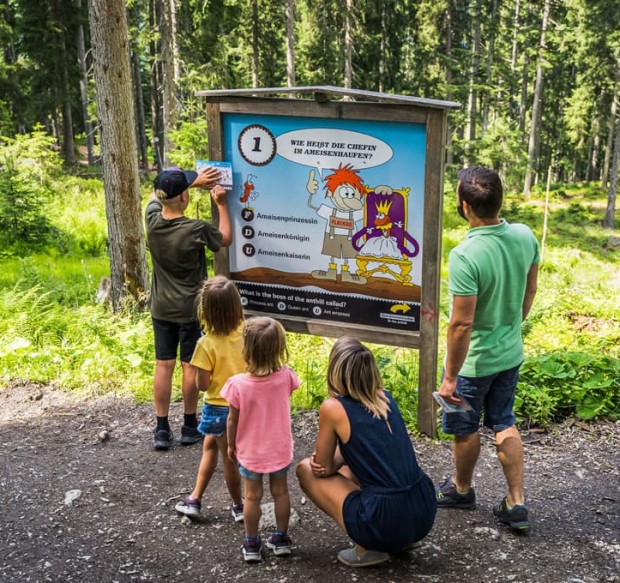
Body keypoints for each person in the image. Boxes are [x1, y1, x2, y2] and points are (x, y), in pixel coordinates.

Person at [435, 166, 539, 534]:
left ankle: (461, 490)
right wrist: (513, 324)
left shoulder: (466, 255)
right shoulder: (526, 236)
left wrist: (449, 378)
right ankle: (516, 501)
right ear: (499, 199)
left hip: (474, 363)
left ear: (465, 206)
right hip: (510, 352)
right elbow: (530, 290)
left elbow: (462, 324)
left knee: (465, 428)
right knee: (504, 421)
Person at [296, 336, 437, 568]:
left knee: (304, 470)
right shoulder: (385, 398)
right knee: (355, 468)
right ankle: (402, 540)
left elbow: (320, 467)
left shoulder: (333, 407)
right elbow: (369, 448)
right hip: (423, 509)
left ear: (335, 371)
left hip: (384, 519)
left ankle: (368, 548)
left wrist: (332, 464)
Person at [145, 166, 232, 450]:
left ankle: (160, 428)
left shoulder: (153, 222)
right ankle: (188, 424)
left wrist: (188, 185)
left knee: (163, 364)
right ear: (184, 197)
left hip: (160, 308)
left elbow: (156, 198)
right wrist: (221, 205)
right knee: (188, 365)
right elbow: (225, 239)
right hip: (189, 309)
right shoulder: (195, 229)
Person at [222, 317, 300, 563]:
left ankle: (252, 543)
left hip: (251, 451)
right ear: (278, 348)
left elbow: (232, 420)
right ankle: (281, 538)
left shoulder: (238, 385)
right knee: (281, 492)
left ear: (247, 349)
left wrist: (231, 444)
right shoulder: (286, 376)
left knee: (252, 497)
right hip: (279, 448)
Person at [174, 276, 246, 522]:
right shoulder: (247, 334)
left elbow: (203, 385)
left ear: (205, 310)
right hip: (243, 405)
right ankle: (195, 498)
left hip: (218, 407)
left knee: (226, 457)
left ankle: (238, 505)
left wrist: (198, 374)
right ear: (237, 306)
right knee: (210, 447)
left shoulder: (205, 344)